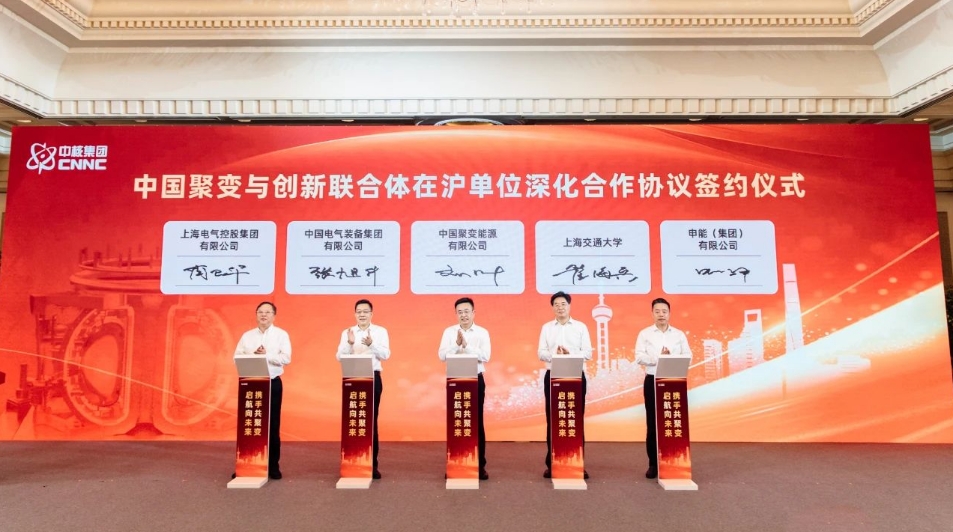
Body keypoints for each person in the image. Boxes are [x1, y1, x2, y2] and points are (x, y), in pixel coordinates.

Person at [537, 291, 592, 479]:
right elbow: (541, 352)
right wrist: (555, 355)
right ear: (552, 307)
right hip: (553, 376)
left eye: (563, 304)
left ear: (569, 306)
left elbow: (588, 353)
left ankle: (578, 462)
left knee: (575, 419)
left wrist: (570, 355)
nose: (560, 307)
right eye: (556, 304)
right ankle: (553, 463)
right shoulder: (547, 328)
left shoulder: (580, 327)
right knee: (554, 419)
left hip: (575, 375)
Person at [635, 297, 692, 479]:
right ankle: (653, 463)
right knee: (653, 423)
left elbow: (688, 356)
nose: (661, 314)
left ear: (669, 313)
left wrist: (671, 358)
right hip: (652, 380)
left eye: (664, 311)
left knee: (674, 421)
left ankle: (674, 459)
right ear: (652, 313)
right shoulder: (645, 334)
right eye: (657, 311)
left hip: (674, 381)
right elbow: (639, 357)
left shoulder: (679, 335)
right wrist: (658, 359)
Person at [234, 301, 291, 480]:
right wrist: (253, 355)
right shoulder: (247, 336)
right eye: (260, 312)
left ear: (274, 315)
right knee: (249, 426)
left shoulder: (281, 335)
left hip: (272, 383)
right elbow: (236, 357)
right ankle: (247, 464)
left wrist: (266, 355)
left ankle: (272, 466)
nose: (263, 315)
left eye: (267, 312)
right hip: (251, 384)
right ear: (256, 315)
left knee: (272, 426)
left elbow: (286, 358)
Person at [336, 298, 391, 479]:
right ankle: (352, 462)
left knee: (370, 421)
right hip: (352, 378)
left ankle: (371, 465)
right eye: (359, 311)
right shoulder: (348, 332)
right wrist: (350, 343)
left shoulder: (380, 331)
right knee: (353, 420)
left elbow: (386, 354)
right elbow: (339, 356)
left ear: (371, 314)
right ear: (355, 314)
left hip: (372, 378)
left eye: (365, 311)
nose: (362, 314)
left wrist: (371, 344)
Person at [438, 296, 491, 480]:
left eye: (467, 311)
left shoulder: (482, 332)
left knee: (476, 422)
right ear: (456, 314)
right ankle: (456, 463)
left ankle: (480, 465)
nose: (463, 315)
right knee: (457, 423)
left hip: (475, 379)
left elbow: (486, 356)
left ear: (473, 313)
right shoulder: (449, 332)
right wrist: (456, 345)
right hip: (455, 380)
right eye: (460, 312)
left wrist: (466, 347)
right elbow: (442, 356)